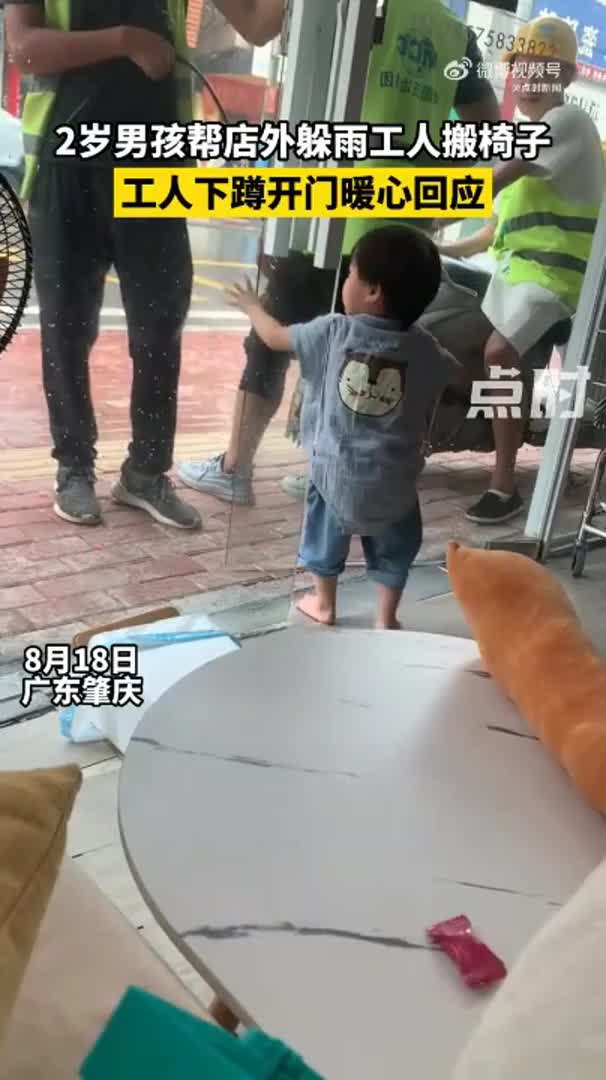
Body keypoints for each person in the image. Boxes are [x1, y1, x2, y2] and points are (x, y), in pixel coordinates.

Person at [177, 0, 500, 506]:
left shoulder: (354, 7)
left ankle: (235, 469)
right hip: (400, 227)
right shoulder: (453, 33)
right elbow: (486, 125)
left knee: (274, 342)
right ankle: (329, 472)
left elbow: (278, 46)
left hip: (326, 215)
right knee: (363, 355)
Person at [6, 0, 284, 528]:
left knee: (160, 329)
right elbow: (24, 49)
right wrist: (125, 39)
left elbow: (259, 26)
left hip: (156, 169)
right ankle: (73, 468)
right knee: (66, 330)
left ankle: (146, 473)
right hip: (66, 169)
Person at [225, 226, 455, 628]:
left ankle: (325, 604)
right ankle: (386, 616)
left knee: (323, 540)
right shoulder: (425, 347)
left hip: (335, 472)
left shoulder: (334, 331)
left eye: (350, 274)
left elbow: (275, 337)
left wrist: (252, 307)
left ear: (373, 292)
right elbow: (451, 373)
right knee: (395, 549)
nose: (345, 282)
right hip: (395, 479)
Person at [437, 15, 605, 525]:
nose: (529, 80)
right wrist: (438, 245)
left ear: (566, 76)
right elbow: (492, 232)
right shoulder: (526, 134)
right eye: (522, 69)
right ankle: (511, 418)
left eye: (543, 70)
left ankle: (504, 483)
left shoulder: (568, 123)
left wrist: (416, 209)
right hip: (517, 276)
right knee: (454, 336)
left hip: (559, 280)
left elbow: (489, 182)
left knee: (497, 351)